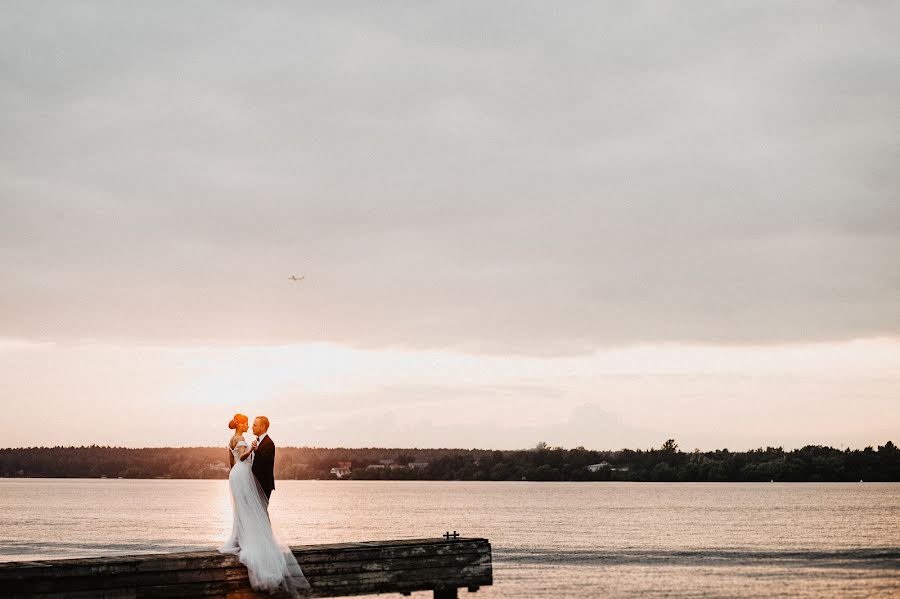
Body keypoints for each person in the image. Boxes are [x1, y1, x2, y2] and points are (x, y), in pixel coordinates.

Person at [219, 413, 310, 595]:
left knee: (253, 512)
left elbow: (249, 463)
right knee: (252, 512)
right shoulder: (247, 441)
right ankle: (258, 542)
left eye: (254, 424)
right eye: (249, 424)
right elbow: (245, 459)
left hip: (255, 481)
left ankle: (251, 539)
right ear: (242, 424)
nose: (251, 427)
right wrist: (251, 452)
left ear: (263, 427)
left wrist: (242, 472)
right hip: (246, 479)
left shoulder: (268, 443)